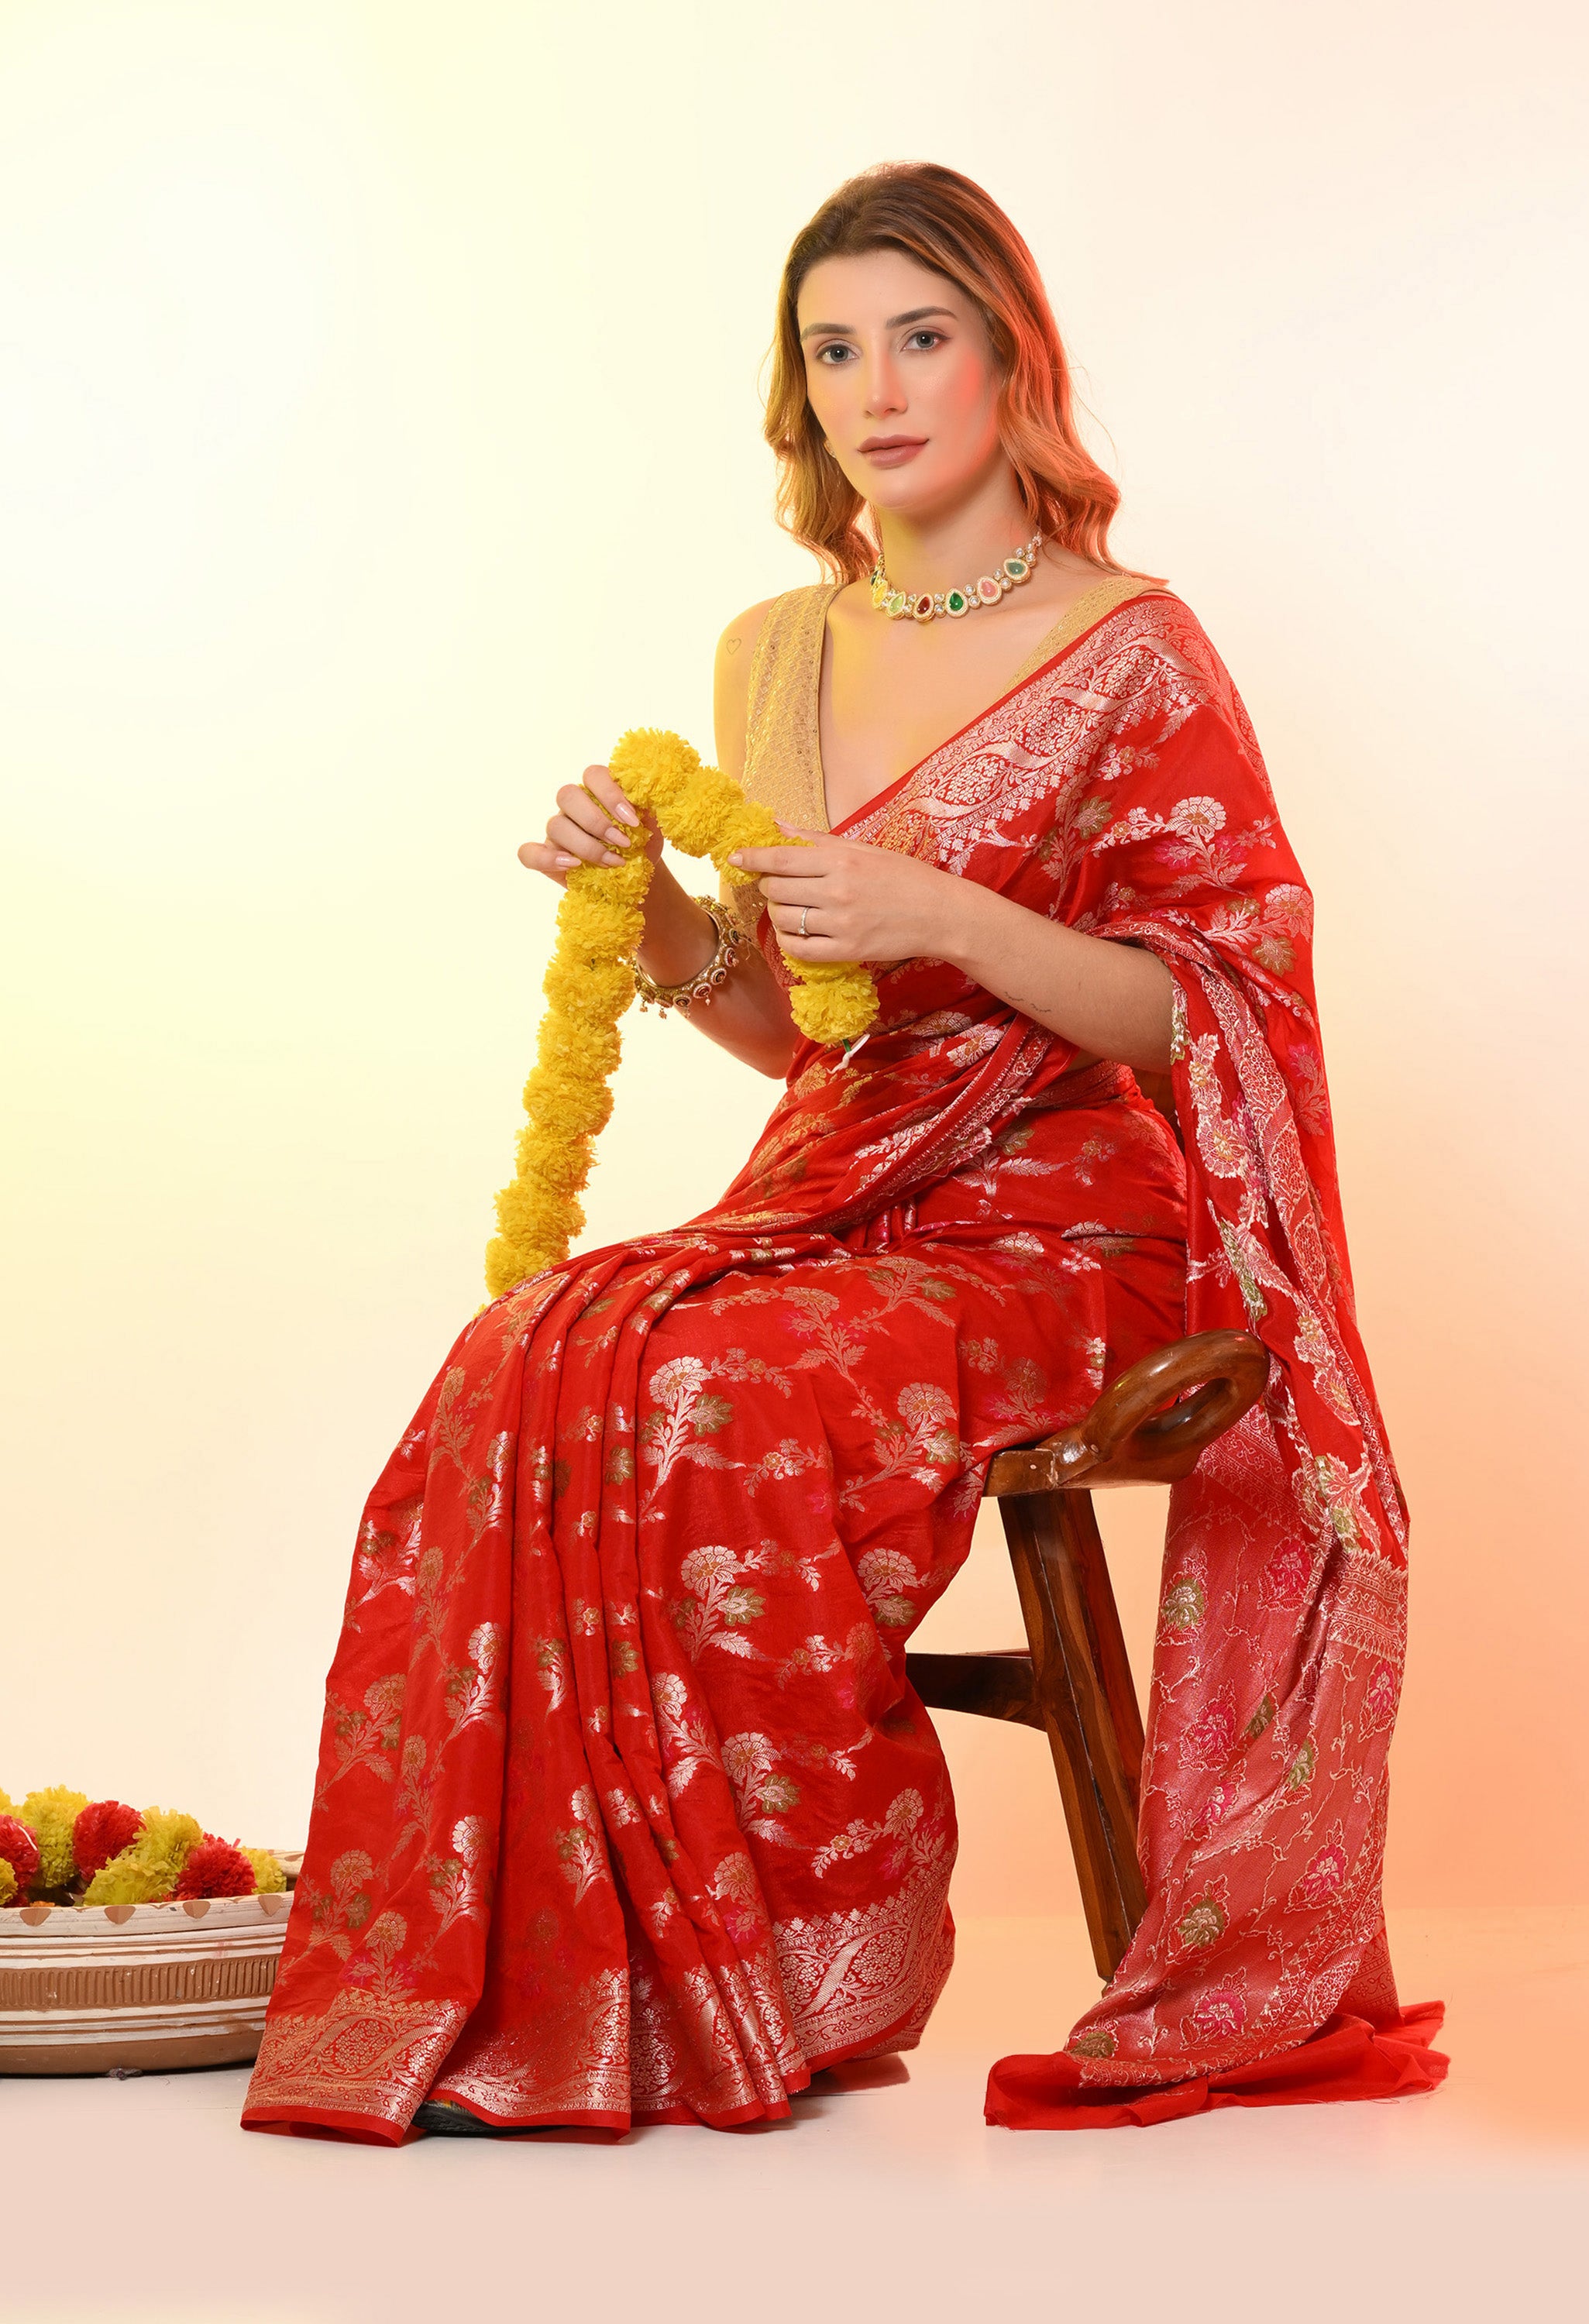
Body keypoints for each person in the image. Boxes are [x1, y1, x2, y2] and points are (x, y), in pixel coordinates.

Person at [242, 161, 1444, 2143]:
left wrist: (952, 916)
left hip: (1076, 1229)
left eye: (921, 336)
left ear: (1007, 363)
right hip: (847, 1197)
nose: (877, 390)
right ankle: (567, 1982)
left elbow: (1217, 1010)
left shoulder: (1135, 651)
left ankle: (788, 1971)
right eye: (832, 350)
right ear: (798, 394)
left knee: (717, 1388)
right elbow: (803, 1030)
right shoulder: (772, 659)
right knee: (527, 1353)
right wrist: (664, 923)